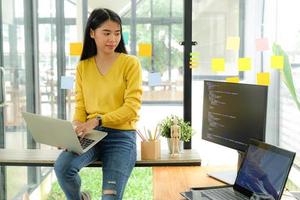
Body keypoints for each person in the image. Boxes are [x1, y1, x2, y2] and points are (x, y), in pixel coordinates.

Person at [54, 8, 142, 200]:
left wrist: (97, 120)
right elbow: (80, 107)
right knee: (62, 168)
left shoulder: (130, 63)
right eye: (107, 33)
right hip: (90, 134)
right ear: (92, 33)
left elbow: (131, 108)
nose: (113, 39)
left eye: (117, 33)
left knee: (109, 197)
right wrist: (75, 129)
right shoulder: (83, 66)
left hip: (121, 136)